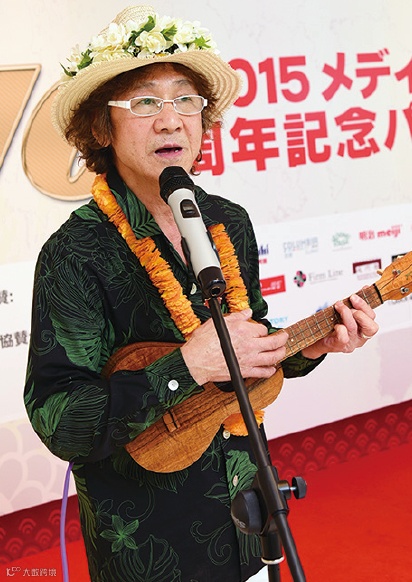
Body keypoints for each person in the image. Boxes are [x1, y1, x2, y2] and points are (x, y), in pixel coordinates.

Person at [24, 5, 379, 582]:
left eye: (186, 100)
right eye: (145, 102)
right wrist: (184, 368)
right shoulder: (75, 254)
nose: (171, 121)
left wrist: (311, 346)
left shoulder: (227, 220)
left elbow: (247, 345)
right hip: (149, 545)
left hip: (251, 517)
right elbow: (61, 421)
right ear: (101, 128)